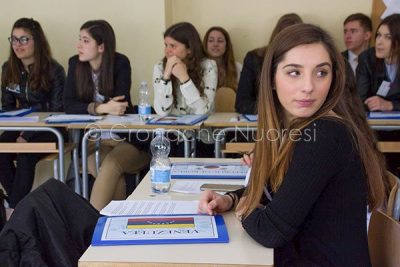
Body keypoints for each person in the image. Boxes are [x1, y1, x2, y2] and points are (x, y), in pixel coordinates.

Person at [199, 23, 390, 266]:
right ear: (272, 79)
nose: (309, 86)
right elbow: (278, 193)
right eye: (294, 72)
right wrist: (232, 199)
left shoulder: (325, 134)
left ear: (334, 78)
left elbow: (270, 230)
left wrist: (245, 208)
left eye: (321, 72)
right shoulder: (294, 128)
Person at [63, 20, 149, 211]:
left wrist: (95, 107)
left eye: (85, 41)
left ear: (101, 46)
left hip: (125, 139)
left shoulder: (120, 63)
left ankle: (91, 224)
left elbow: (120, 105)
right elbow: (68, 104)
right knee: (107, 171)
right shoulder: (74, 64)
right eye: (79, 39)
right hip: (94, 141)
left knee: (110, 165)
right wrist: (100, 108)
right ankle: (113, 226)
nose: (79, 45)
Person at [0, 18, 65, 209]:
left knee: (25, 154)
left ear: (36, 41)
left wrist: (27, 135)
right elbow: (8, 107)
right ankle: (19, 208)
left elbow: (56, 111)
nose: (17, 45)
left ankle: (13, 210)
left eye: (23, 39)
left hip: (50, 129)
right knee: (1, 152)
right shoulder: (8, 68)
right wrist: (21, 132)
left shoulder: (54, 70)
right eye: (13, 39)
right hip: (20, 127)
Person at [153, 22, 217, 157]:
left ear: (189, 49)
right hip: (171, 135)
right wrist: (166, 77)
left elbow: (202, 111)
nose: (167, 50)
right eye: (166, 45)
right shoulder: (160, 67)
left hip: (201, 136)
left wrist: (184, 78)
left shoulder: (208, 66)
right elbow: (161, 111)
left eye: (173, 46)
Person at [235, 13, 302, 114]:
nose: (289, 44)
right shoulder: (255, 58)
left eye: (295, 38)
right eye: (285, 37)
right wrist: (275, 110)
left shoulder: (308, 62)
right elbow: (242, 104)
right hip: (263, 123)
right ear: (276, 36)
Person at [357, 13, 400, 111]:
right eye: (379, 35)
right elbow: (360, 99)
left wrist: (391, 105)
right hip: (375, 122)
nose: (379, 42)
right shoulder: (366, 58)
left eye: (388, 37)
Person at [203, 26, 242, 90]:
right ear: (205, 44)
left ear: (226, 45)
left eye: (220, 41)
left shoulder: (238, 68)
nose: (215, 44)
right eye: (211, 40)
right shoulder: (198, 68)